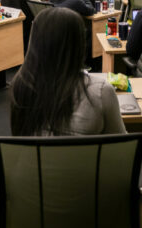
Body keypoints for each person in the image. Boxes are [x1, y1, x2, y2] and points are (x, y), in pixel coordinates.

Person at [11, 7, 125, 136]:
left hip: (37, 157)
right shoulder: (100, 91)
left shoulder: (21, 84)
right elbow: (123, 147)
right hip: (85, 157)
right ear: (79, 44)